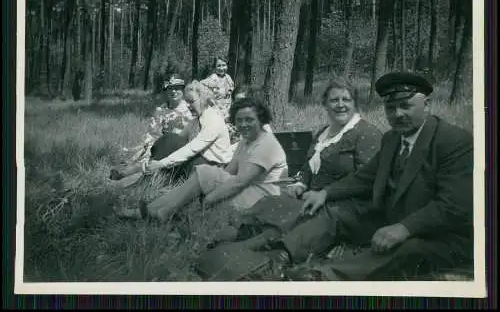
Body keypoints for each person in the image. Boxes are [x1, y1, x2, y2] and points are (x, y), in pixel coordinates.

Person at [262, 72, 474, 281]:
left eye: (406, 106)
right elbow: (365, 176)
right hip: (393, 219)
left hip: (440, 236)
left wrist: (405, 228)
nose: (398, 114)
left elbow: (452, 206)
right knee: (337, 213)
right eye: (391, 108)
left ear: (427, 104)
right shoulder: (392, 138)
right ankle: (281, 255)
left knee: (409, 249)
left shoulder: (453, 141)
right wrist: (325, 193)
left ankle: (322, 277)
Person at [203, 78, 383, 259]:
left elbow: (367, 180)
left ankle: (246, 250)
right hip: (315, 199)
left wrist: (326, 193)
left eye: (346, 99)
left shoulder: (366, 134)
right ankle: (235, 237)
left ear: (355, 103)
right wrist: (301, 184)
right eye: (334, 100)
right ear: (325, 104)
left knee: (296, 215)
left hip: (347, 208)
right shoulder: (323, 133)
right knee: (272, 202)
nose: (340, 105)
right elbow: (307, 168)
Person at [115, 97, 289, 222]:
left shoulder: (267, 144)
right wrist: (206, 186)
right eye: (240, 120)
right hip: (246, 192)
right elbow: (228, 172)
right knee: (204, 175)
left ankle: (161, 211)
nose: (243, 125)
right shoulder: (246, 142)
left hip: (260, 200)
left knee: (206, 176)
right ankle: (154, 210)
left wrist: (207, 200)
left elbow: (239, 183)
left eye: (249, 120)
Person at [109, 73, 193, 181]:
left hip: (181, 146)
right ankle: (125, 173)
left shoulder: (190, 109)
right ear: (166, 91)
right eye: (170, 88)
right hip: (161, 145)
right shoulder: (161, 110)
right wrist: (149, 146)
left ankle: (127, 174)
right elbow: (153, 133)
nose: (173, 91)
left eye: (177, 88)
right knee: (147, 154)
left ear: (183, 90)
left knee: (158, 163)